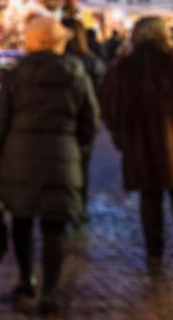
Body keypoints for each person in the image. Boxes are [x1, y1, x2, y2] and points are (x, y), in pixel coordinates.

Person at [0, 16, 99, 315]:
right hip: (61, 158)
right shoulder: (75, 73)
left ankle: (25, 279)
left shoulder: (17, 76)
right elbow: (90, 121)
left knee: (22, 222)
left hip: (18, 161)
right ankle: (51, 291)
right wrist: (77, 148)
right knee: (55, 227)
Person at [101, 17, 173, 273]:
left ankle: (154, 252)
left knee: (150, 196)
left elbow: (108, 107)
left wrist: (122, 137)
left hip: (139, 145)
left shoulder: (123, 67)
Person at [62, 17, 105, 221]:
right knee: (82, 167)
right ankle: (79, 207)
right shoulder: (92, 61)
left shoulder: (56, 61)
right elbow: (100, 92)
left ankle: (63, 208)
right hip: (83, 123)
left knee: (60, 168)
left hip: (60, 124)